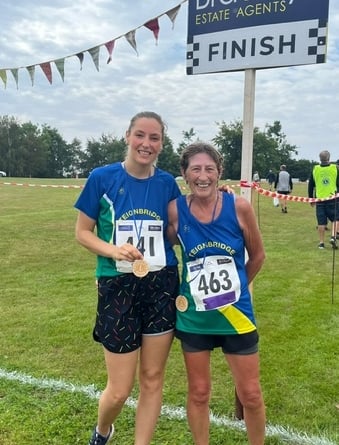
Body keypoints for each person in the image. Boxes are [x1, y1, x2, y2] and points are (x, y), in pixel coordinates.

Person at [74, 111, 181, 445]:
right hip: (117, 285)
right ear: (127, 136)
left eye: (154, 138)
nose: (146, 144)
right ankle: (103, 430)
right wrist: (113, 250)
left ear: (162, 144)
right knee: (120, 391)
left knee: (152, 378)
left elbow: (176, 233)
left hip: (160, 285)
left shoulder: (166, 183)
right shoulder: (102, 178)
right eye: (140, 135)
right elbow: (82, 232)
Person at [168, 142, 266, 445]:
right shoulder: (175, 210)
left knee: (250, 393)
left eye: (209, 169)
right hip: (194, 319)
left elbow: (258, 255)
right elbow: (160, 248)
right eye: (195, 169)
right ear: (184, 174)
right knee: (198, 393)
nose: (203, 175)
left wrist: (233, 291)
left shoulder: (239, 207)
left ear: (219, 173)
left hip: (236, 317)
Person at [308, 150, 339, 249]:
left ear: (320, 159)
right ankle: (333, 237)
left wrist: (311, 198)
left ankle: (321, 243)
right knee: (336, 219)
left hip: (319, 199)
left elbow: (311, 185)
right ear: (329, 158)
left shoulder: (315, 169)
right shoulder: (335, 168)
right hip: (333, 198)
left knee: (321, 222)